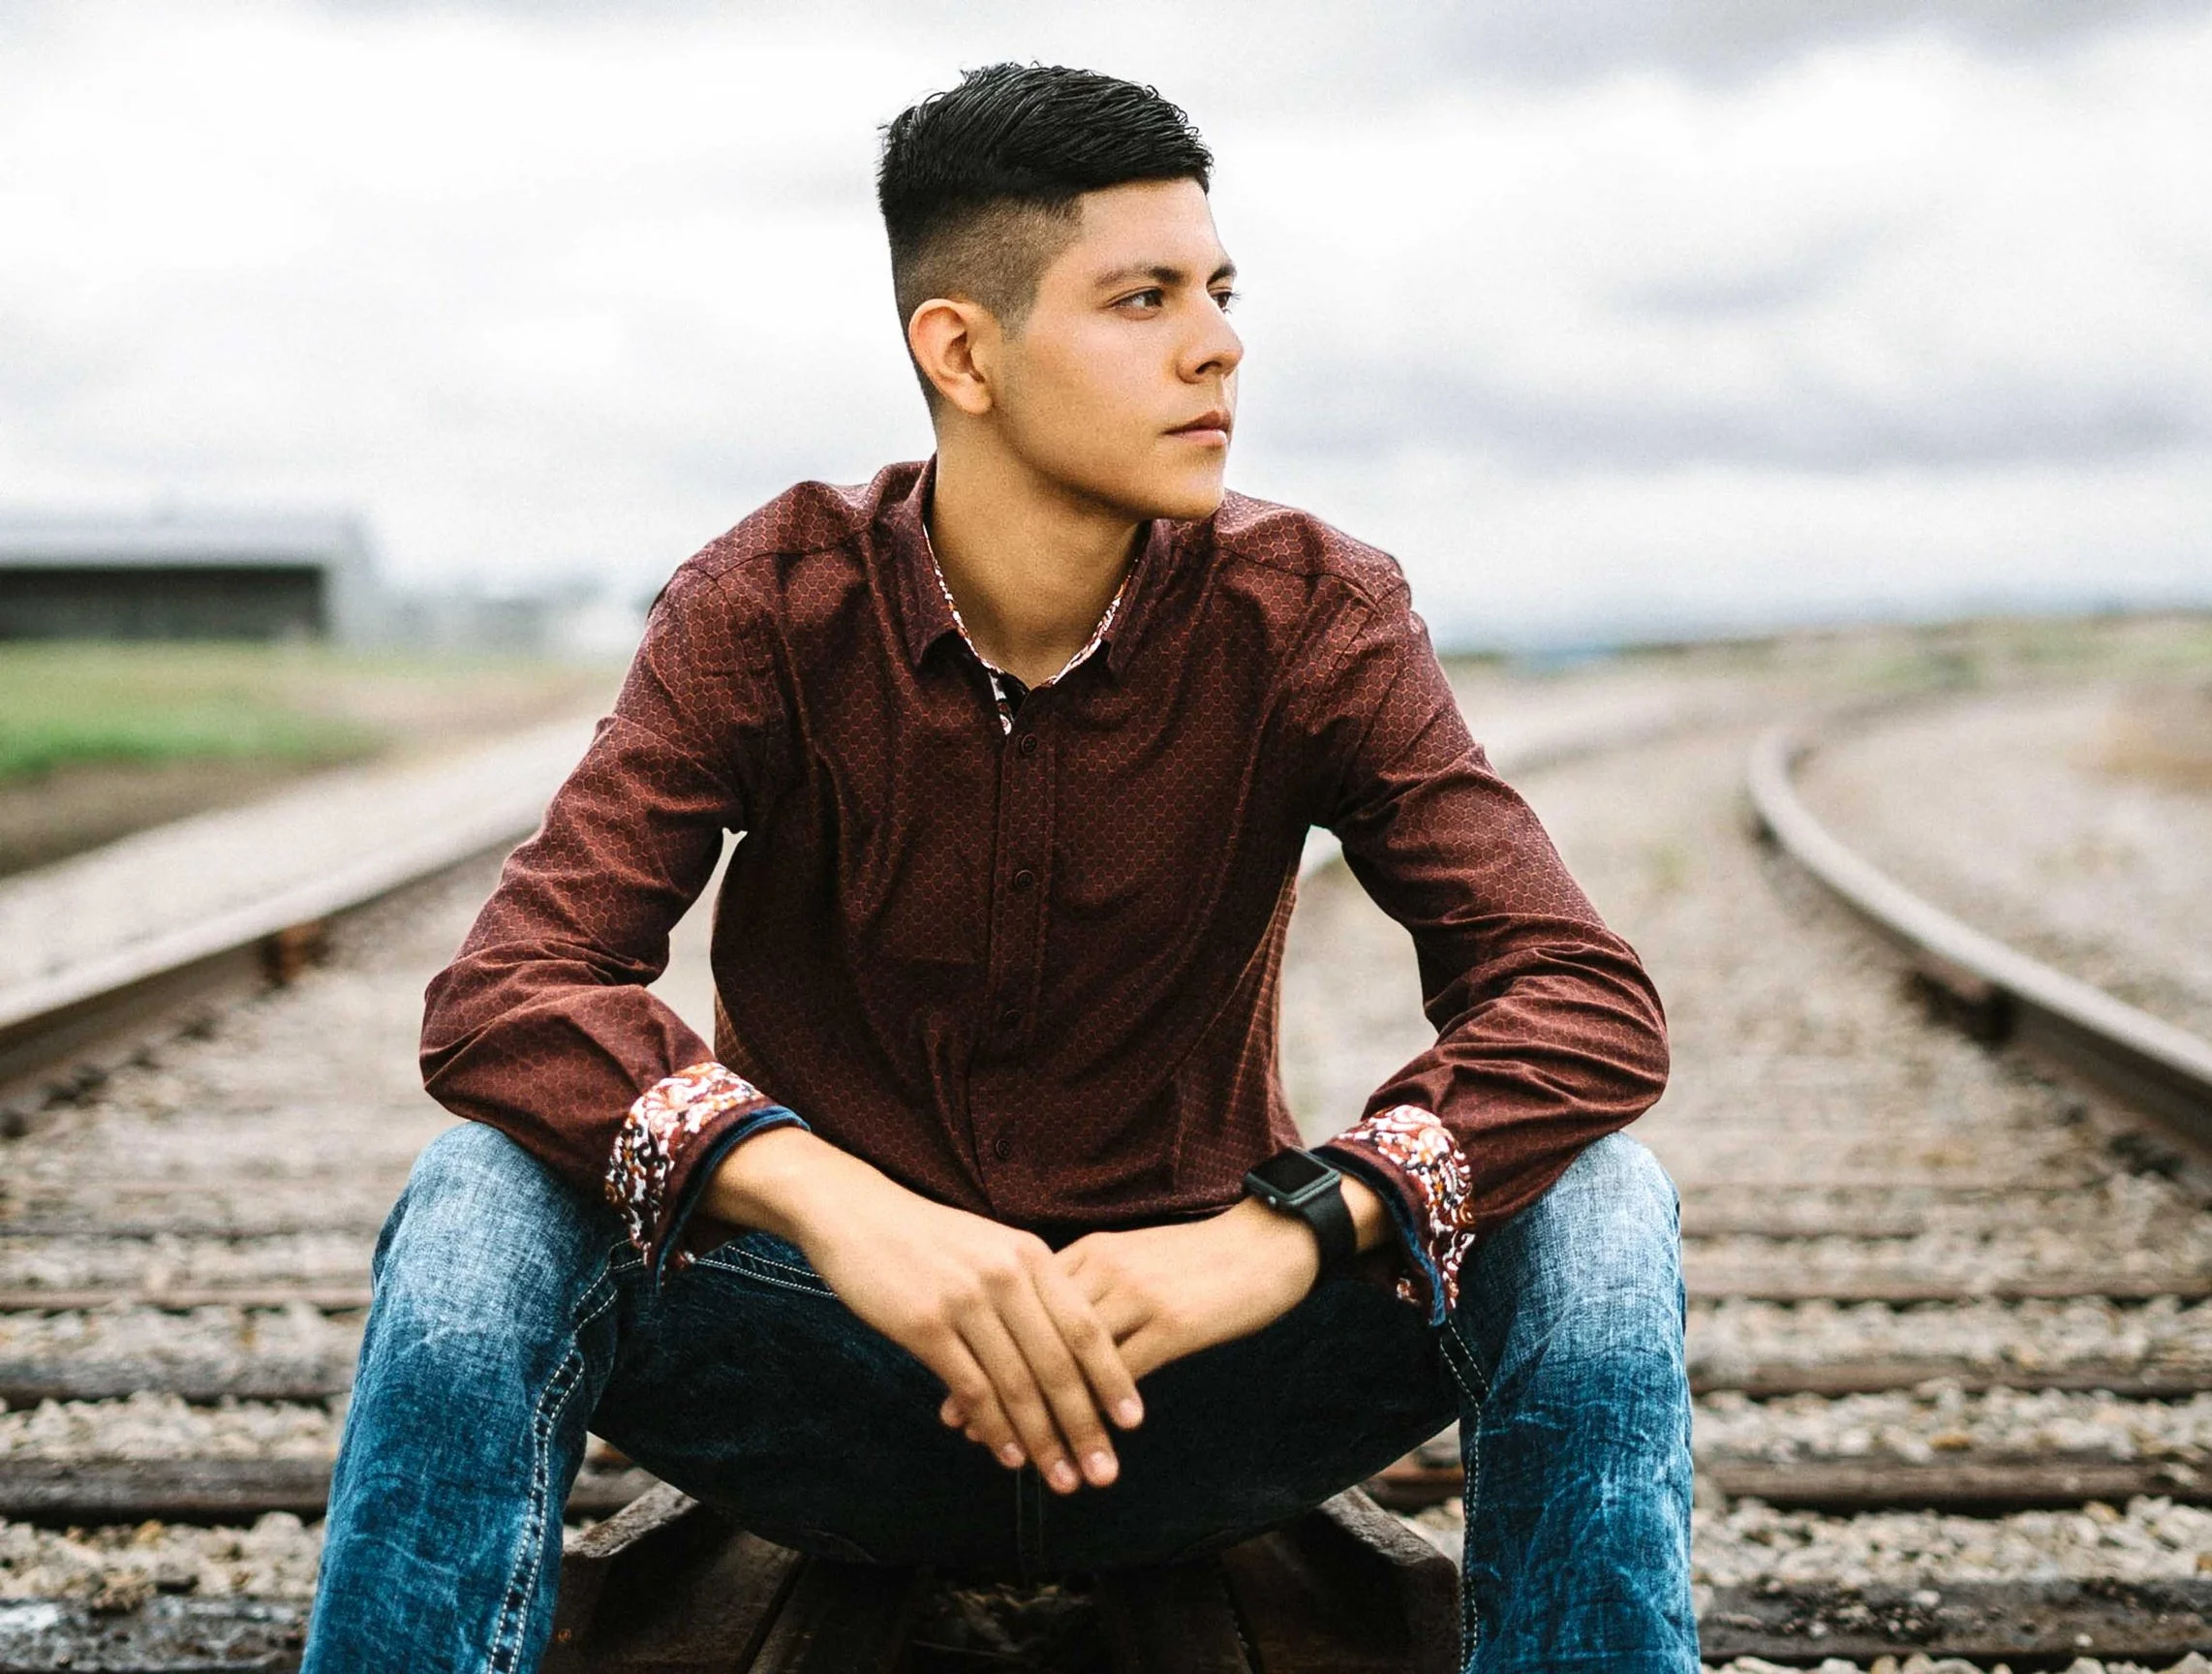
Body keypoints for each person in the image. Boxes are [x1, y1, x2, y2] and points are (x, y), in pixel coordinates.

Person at [304, 62, 1692, 1672]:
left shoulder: (1312, 611)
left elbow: (1583, 1001)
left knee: (1598, 1203)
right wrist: (821, 1195)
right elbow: (505, 996)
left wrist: (1285, 1232)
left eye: (1222, 291)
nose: (1218, 343)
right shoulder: (769, 604)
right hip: (832, 1370)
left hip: (1187, 1375)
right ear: (960, 349)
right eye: (1142, 298)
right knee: (477, 1198)